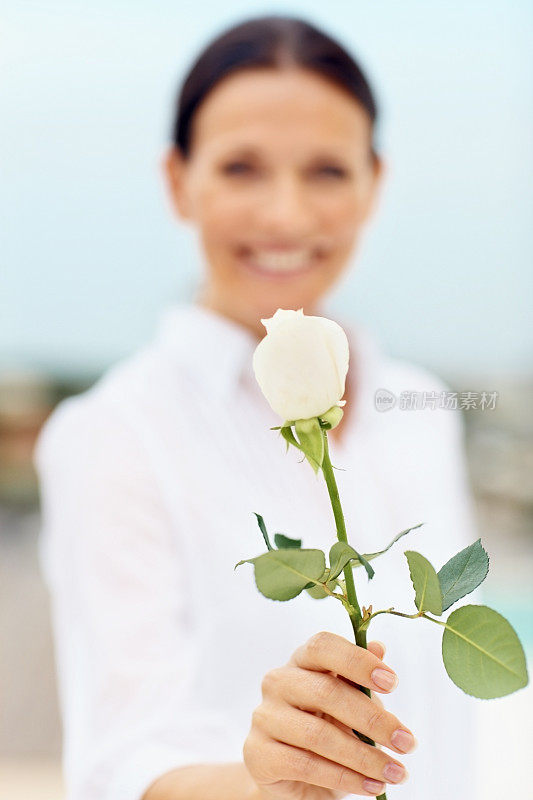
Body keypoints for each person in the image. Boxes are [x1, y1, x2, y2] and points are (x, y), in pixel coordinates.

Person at [34, 14, 480, 800]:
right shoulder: (112, 433)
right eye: (241, 168)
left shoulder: (421, 408)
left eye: (326, 171)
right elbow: (122, 759)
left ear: (374, 181)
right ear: (178, 180)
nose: (284, 216)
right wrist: (261, 776)